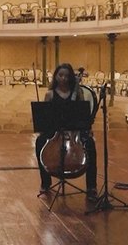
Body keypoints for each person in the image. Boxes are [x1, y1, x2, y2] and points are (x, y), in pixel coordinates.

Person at [34, 63, 98, 201]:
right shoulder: (50, 94)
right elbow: (46, 118)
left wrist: (88, 129)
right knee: (40, 142)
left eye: (66, 76)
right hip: (55, 131)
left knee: (90, 144)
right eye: (60, 75)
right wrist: (44, 128)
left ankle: (91, 187)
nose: (63, 78)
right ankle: (45, 183)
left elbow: (83, 115)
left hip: (74, 131)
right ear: (56, 76)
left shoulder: (78, 93)